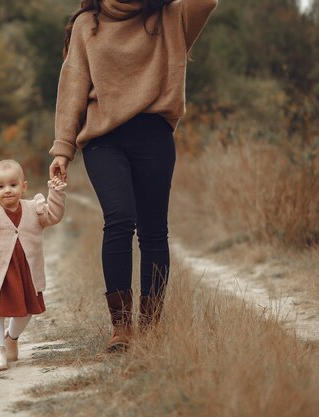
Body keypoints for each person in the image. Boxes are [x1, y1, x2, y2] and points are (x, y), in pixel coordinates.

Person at [49, 0, 218, 351]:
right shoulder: (87, 25)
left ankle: (151, 326)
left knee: (154, 230)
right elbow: (73, 86)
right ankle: (122, 328)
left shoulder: (170, 15)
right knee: (120, 219)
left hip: (153, 135)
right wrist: (63, 148)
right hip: (103, 140)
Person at [0, 160, 66, 371]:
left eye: (13, 184)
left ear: (24, 186)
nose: (8, 190)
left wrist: (55, 192)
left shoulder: (33, 209)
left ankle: (11, 337)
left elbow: (54, 216)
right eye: (1, 187)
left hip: (25, 271)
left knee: (26, 310)